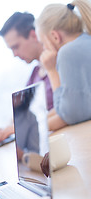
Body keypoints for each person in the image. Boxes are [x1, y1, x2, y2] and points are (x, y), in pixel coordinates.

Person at [0, 12, 53, 143]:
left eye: (16, 47)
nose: (15, 54)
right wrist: (6, 128)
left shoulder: (58, 65)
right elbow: (23, 111)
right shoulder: (35, 74)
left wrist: (18, 128)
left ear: (33, 35)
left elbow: (65, 112)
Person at [36, 0, 91, 131]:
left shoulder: (68, 52)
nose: (43, 49)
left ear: (55, 36)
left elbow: (68, 114)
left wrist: (51, 71)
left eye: (43, 43)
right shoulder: (85, 40)